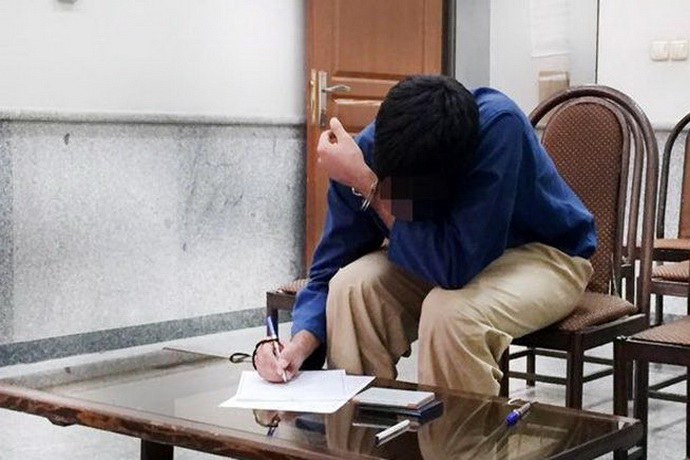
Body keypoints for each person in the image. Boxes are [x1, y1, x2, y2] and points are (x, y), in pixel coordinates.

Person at [254, 75, 595, 395]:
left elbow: (454, 267)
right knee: (350, 287)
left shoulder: (497, 130)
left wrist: (369, 187)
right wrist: (298, 345)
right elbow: (328, 270)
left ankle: (455, 436)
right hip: (446, 251)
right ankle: (364, 428)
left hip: (546, 255)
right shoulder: (366, 153)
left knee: (450, 313)